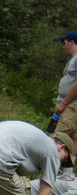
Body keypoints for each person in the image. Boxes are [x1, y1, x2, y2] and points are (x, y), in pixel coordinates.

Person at [54, 31, 77, 177]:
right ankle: (68, 172)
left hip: (72, 105)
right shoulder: (74, 59)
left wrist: (64, 103)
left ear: (72, 42)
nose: (63, 47)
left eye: (64, 43)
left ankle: (51, 171)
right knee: (74, 136)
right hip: (71, 104)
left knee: (58, 136)